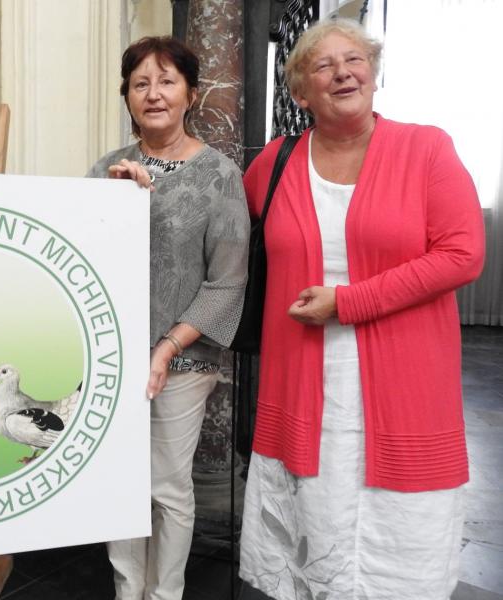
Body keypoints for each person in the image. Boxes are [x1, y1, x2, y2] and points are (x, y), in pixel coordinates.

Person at [238, 18, 485, 600]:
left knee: (397, 534)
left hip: (403, 377)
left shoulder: (426, 148)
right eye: (323, 66)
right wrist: (145, 184)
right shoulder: (275, 162)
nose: (342, 72)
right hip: (302, 377)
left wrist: (348, 302)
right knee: (314, 518)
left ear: (374, 74)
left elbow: (463, 254)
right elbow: (218, 225)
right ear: (300, 93)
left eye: (354, 59)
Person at [87, 36, 249, 600]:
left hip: (183, 358)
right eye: (140, 83)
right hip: (113, 355)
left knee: (166, 487)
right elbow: (84, 260)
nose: (153, 93)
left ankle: (165, 594)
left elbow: (227, 279)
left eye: (167, 81)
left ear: (191, 94)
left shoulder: (220, 174)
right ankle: (127, 590)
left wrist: (167, 348)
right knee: (119, 484)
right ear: (126, 97)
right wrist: (117, 207)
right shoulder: (106, 169)